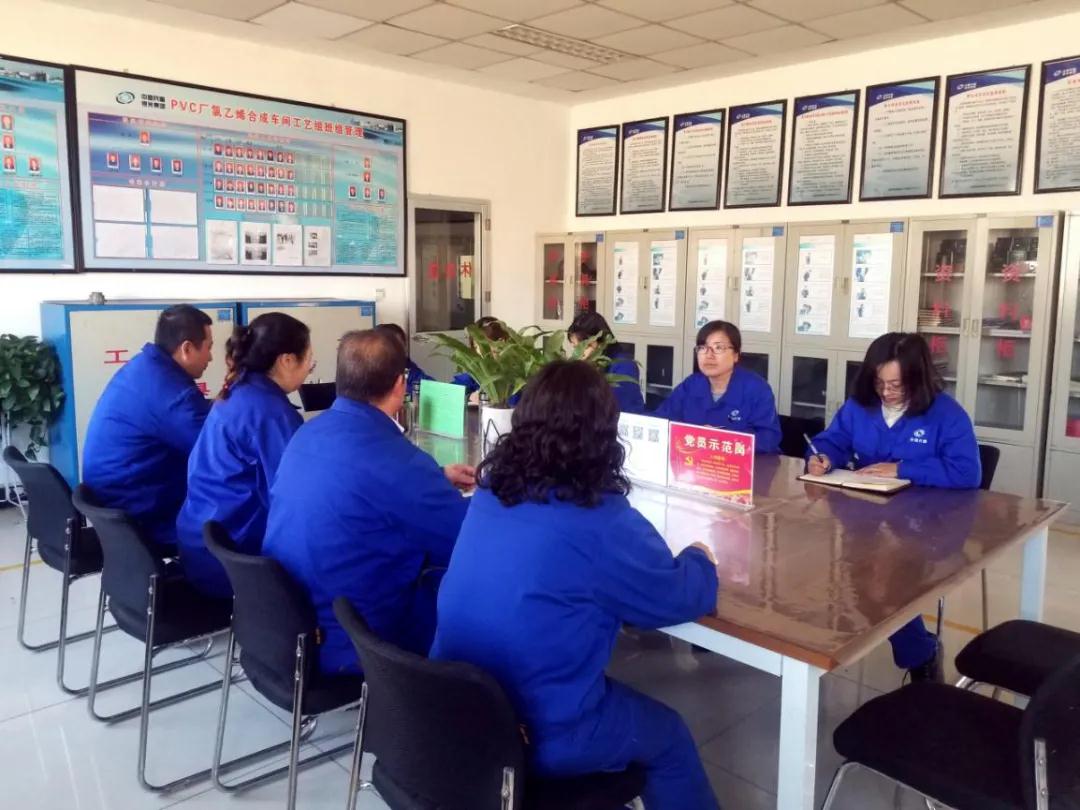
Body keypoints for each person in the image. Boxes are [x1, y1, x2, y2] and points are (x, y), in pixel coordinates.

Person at [431, 360, 721, 810]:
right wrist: (699, 556)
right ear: (604, 435)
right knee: (669, 738)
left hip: (452, 708)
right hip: (536, 733)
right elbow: (677, 597)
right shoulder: (599, 519)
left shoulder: (491, 491)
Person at [262, 329, 475, 674]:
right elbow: (467, 540)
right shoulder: (398, 461)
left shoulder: (307, 434)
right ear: (400, 384)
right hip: (355, 641)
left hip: (287, 628)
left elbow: (360, 480)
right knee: (472, 584)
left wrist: (433, 476)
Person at [806, 332, 981, 681]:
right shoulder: (860, 407)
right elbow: (834, 440)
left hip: (925, 526)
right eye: (879, 383)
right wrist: (823, 456)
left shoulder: (945, 414)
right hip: (866, 519)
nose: (886, 392)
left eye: (896, 385)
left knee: (886, 587)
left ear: (918, 378)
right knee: (845, 573)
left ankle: (921, 656)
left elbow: (967, 472)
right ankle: (913, 648)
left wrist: (903, 468)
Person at [175, 313, 312, 598]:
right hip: (234, 562)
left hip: (201, 543)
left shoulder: (239, 388)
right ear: (287, 360)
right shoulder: (271, 414)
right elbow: (296, 501)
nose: (310, 368)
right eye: (309, 360)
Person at [82, 304, 214, 550]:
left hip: (109, 501)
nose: (211, 357)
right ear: (186, 349)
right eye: (208, 347)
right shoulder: (174, 394)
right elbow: (216, 452)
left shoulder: (145, 367)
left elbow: (186, 416)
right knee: (238, 512)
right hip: (139, 514)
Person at [655, 321, 781, 454]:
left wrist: (719, 438)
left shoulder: (756, 389)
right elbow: (661, 420)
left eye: (718, 348)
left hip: (748, 463)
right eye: (702, 348)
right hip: (695, 460)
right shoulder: (691, 384)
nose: (709, 355)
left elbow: (769, 438)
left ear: (736, 355)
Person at [568, 311, 644, 414]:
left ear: (601, 342)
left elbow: (617, 409)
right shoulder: (587, 364)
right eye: (575, 347)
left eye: (584, 346)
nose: (579, 354)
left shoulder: (624, 366)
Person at [452, 315, 509, 396]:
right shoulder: (475, 374)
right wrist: (469, 396)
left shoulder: (513, 373)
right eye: (475, 347)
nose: (478, 352)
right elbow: (451, 391)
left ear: (502, 342)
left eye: (483, 346)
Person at [375, 322, 432, 395]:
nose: (395, 351)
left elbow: (428, 385)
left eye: (399, 346)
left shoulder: (406, 365)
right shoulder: (367, 371)